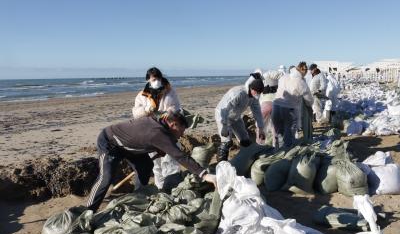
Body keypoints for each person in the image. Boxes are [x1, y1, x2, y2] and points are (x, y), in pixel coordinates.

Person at [86, 110, 216, 212]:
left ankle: (138, 197)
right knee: (106, 177)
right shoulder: (157, 133)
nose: (182, 134)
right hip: (110, 142)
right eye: (181, 130)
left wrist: (157, 148)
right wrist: (204, 174)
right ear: (173, 124)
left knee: (145, 165)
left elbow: (144, 138)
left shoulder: (160, 123)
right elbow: (180, 156)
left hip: (130, 146)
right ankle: (88, 209)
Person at [132, 67, 181, 190]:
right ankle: (160, 187)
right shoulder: (142, 95)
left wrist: (170, 112)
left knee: (170, 159)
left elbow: (176, 106)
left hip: (168, 130)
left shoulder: (169, 91)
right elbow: (136, 113)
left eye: (158, 78)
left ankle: (172, 186)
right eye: (153, 79)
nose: (156, 81)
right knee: (156, 163)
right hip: (150, 132)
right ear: (148, 79)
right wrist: (146, 110)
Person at [215, 72, 266, 162]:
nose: (257, 94)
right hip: (223, 115)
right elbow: (225, 109)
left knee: (245, 140)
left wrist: (261, 128)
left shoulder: (253, 98)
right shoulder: (238, 94)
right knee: (226, 142)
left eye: (259, 93)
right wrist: (224, 126)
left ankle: (246, 160)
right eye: (256, 92)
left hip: (235, 117)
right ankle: (221, 164)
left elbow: (257, 112)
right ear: (251, 88)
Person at [272, 62, 313, 149]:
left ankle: (278, 152)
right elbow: (309, 100)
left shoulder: (284, 77)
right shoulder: (301, 83)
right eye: (306, 70)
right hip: (289, 110)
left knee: (279, 133)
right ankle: (286, 153)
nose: (306, 72)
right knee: (289, 134)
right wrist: (309, 106)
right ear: (302, 69)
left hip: (275, 106)